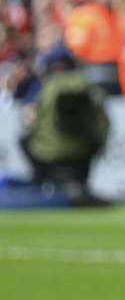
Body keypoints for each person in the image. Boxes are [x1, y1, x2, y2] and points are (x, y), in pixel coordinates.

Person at [19, 47, 112, 207]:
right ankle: (81, 185)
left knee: (23, 139)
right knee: (96, 139)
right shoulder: (87, 85)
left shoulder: (44, 87)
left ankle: (39, 181)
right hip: (83, 150)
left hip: (48, 150)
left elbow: (29, 119)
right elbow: (104, 121)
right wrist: (98, 142)